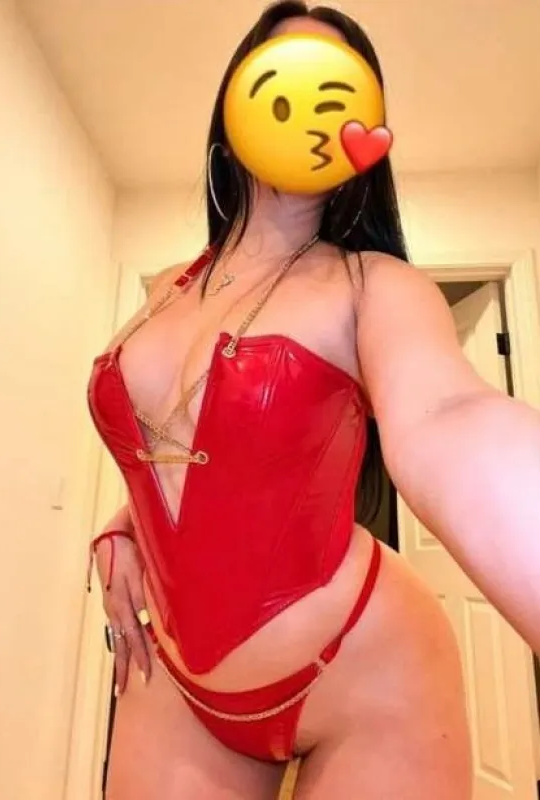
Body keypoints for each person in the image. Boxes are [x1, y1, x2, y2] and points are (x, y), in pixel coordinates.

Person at [86, 3, 540, 798]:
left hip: (362, 667)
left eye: (337, 87)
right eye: (281, 74)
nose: (308, 102)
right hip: (178, 683)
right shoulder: (164, 290)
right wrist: (123, 527)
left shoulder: (372, 285)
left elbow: (447, 416)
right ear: (233, 107)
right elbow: (191, 449)